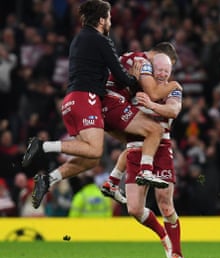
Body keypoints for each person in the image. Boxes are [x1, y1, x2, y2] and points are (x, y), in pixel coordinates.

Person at [21, 0, 141, 209]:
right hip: (86, 98)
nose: (111, 21)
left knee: (90, 159)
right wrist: (136, 80)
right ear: (102, 20)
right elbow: (121, 76)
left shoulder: (78, 39)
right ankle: (42, 146)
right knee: (95, 151)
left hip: (71, 101)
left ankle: (49, 180)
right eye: (109, 17)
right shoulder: (100, 39)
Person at [100, 42, 181, 202]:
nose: (163, 72)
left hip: (104, 106)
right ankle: (146, 171)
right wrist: (174, 85)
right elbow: (154, 93)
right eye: (163, 66)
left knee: (137, 144)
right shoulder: (144, 63)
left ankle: (112, 182)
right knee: (155, 131)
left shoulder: (130, 56)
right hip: (114, 104)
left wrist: (133, 82)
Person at [124, 53, 184, 258]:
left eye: (167, 71)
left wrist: (151, 105)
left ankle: (177, 252)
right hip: (134, 147)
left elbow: (174, 111)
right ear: (150, 68)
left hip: (161, 147)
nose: (162, 74)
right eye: (159, 69)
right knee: (134, 208)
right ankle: (163, 235)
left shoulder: (172, 89)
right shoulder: (136, 85)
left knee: (165, 204)